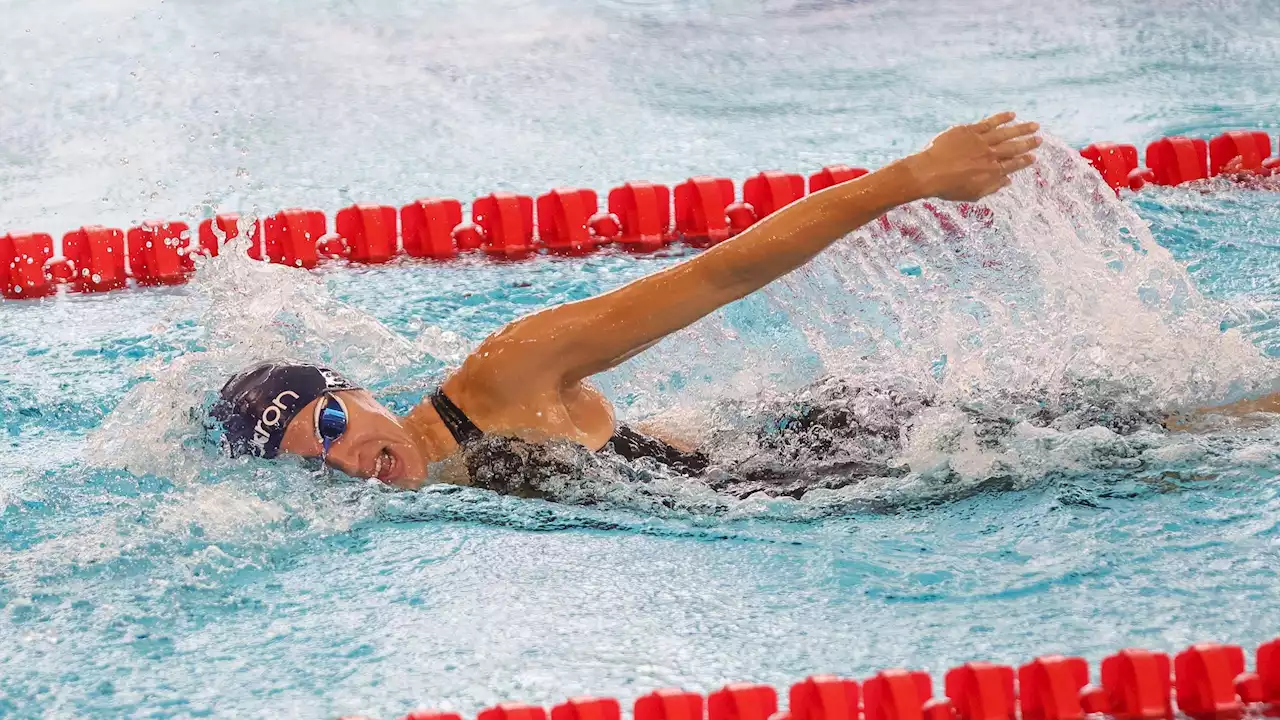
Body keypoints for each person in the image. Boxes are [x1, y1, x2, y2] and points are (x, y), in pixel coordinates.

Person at [210, 112, 1048, 493]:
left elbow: (721, 276)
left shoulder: (504, 377)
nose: (347, 457)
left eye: (329, 426)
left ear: (354, 392)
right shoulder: (438, 492)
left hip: (864, 449)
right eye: (313, 462)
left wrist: (912, 179)